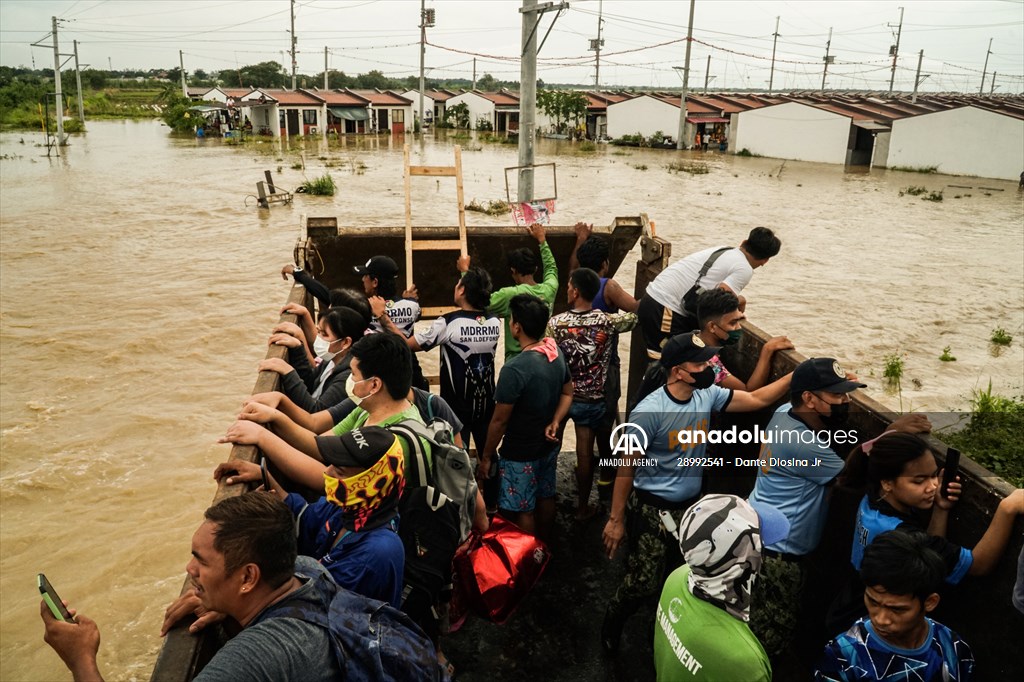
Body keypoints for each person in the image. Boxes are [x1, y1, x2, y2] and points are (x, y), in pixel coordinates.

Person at [600, 332, 792, 655]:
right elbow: (625, 468)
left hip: (691, 510)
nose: (707, 368)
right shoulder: (649, 412)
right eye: (699, 363)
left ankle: (660, 634)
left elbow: (757, 400)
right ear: (677, 370)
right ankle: (613, 619)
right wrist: (616, 520)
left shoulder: (708, 396)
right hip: (653, 510)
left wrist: (794, 376)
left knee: (681, 579)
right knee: (642, 581)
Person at [42, 493, 344, 680]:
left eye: (201, 561)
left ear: (248, 579)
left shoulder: (259, 654)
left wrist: (80, 659)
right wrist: (227, 607)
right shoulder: (308, 569)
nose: (190, 570)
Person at [828, 432, 1024, 632]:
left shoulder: (872, 500)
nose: (933, 486)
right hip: (877, 625)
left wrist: (940, 508)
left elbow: (929, 547)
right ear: (887, 482)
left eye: (933, 475)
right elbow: (978, 565)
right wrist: (1007, 508)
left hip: (853, 603)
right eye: (918, 481)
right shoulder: (902, 535)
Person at [746, 357, 866, 657]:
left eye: (846, 395)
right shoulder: (802, 443)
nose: (845, 402)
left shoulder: (785, 412)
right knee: (772, 634)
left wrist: (838, 383)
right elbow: (849, 476)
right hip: (780, 555)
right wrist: (893, 433)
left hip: (759, 532)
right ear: (809, 399)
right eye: (837, 396)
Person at [215, 426, 406, 608]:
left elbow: (316, 604)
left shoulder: (375, 554)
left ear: (371, 483)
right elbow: (306, 518)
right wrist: (265, 476)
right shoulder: (351, 508)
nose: (327, 472)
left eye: (339, 471)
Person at [374, 265, 501, 511]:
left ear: (462, 290)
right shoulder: (494, 321)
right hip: (486, 405)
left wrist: (383, 316)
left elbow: (406, 344)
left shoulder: (447, 323)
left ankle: (461, 512)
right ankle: (494, 510)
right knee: (489, 457)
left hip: (456, 409)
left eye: (458, 283)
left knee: (455, 463)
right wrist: (467, 269)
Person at [654, 494, 791, 682]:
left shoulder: (677, 577)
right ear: (742, 566)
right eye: (759, 551)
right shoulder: (746, 662)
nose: (763, 559)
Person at [816, 529, 975, 682]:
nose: (881, 619)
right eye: (873, 602)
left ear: (929, 602)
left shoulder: (953, 649)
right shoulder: (844, 655)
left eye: (897, 609)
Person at [477, 293, 572, 539]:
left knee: (523, 510)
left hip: (520, 452)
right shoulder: (554, 352)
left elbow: (500, 421)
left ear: (517, 327)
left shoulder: (514, 369)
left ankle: (526, 561)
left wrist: (486, 456)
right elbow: (568, 393)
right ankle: (544, 548)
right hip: (548, 446)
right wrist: (556, 421)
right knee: (546, 495)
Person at [546, 267, 638, 521]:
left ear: (575, 292)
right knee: (584, 455)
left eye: (568, 286)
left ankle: (545, 497)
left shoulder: (556, 323)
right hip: (591, 399)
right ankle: (582, 507)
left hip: (562, 397)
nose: (566, 289)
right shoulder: (606, 322)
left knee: (550, 448)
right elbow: (636, 316)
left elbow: (548, 355)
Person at [569, 223, 640, 502]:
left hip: (578, 366)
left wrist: (580, 239)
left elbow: (574, 263)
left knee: (583, 422)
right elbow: (636, 309)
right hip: (605, 364)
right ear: (605, 264)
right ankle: (607, 474)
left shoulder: (575, 283)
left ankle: (582, 463)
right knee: (606, 418)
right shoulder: (608, 286)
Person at [637, 227, 781, 360]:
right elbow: (721, 299)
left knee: (669, 361)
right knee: (671, 364)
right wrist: (740, 304)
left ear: (743, 242)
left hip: (654, 297)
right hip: (665, 309)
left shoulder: (724, 250)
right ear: (765, 260)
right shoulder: (744, 269)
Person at [459, 223, 558, 360]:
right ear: (535, 269)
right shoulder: (550, 289)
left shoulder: (510, 295)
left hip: (516, 360)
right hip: (543, 357)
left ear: (513, 271)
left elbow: (476, 299)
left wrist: (465, 272)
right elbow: (551, 269)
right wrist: (542, 240)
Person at [258, 306, 367, 413]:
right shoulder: (332, 358)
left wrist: (288, 372)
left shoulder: (349, 376)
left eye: (324, 334)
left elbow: (317, 411)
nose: (318, 338)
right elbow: (310, 384)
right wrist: (297, 349)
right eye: (318, 331)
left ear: (345, 342)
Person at [695, 287, 793, 390]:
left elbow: (741, 300)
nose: (738, 327)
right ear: (712, 327)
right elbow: (747, 392)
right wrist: (767, 351)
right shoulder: (708, 361)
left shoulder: (694, 337)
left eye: (739, 321)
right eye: (733, 323)